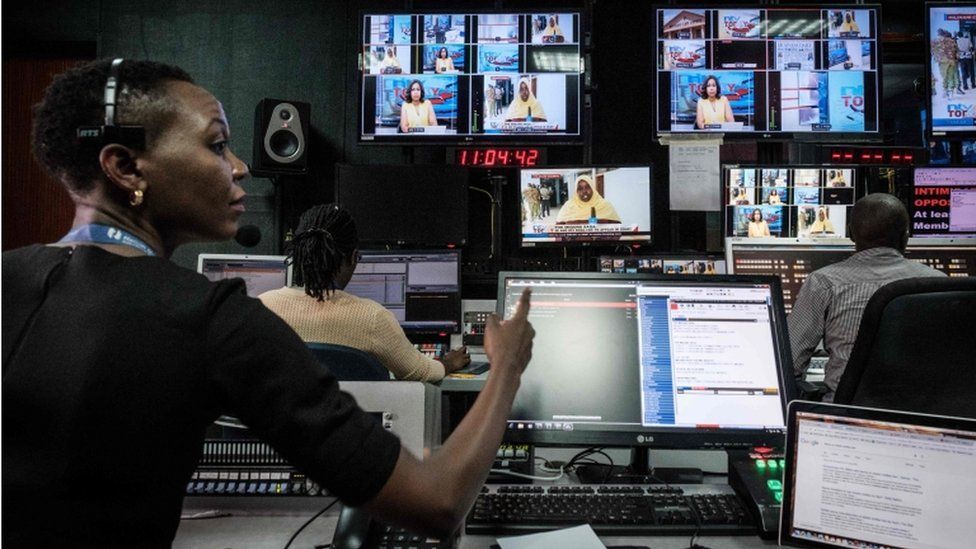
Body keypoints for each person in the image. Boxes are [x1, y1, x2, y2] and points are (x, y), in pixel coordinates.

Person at [2, 58, 535, 546]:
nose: (240, 168)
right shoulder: (210, 317)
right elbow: (437, 503)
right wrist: (507, 364)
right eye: (215, 146)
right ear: (125, 167)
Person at [259, 205, 470, 381]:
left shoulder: (261, 309)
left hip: (277, 430)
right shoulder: (371, 318)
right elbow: (421, 373)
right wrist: (448, 363)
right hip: (350, 430)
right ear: (352, 258)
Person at [789, 194, 945, 402]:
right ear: (905, 235)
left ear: (852, 234)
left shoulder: (824, 282)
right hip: (924, 419)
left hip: (847, 418)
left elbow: (788, 363)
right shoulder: (939, 283)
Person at [555, 174, 621, 224]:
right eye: (580, 188)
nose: (584, 191)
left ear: (593, 188)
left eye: (587, 187)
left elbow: (618, 229)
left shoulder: (605, 205)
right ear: (576, 191)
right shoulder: (568, 206)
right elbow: (558, 232)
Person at [933, 28, 960, 99]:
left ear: (939, 34)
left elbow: (933, 51)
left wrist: (936, 58)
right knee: (950, 77)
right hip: (951, 61)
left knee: (944, 76)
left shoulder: (935, 41)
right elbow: (957, 51)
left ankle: (945, 91)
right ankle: (950, 92)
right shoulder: (951, 41)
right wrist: (956, 59)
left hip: (942, 62)